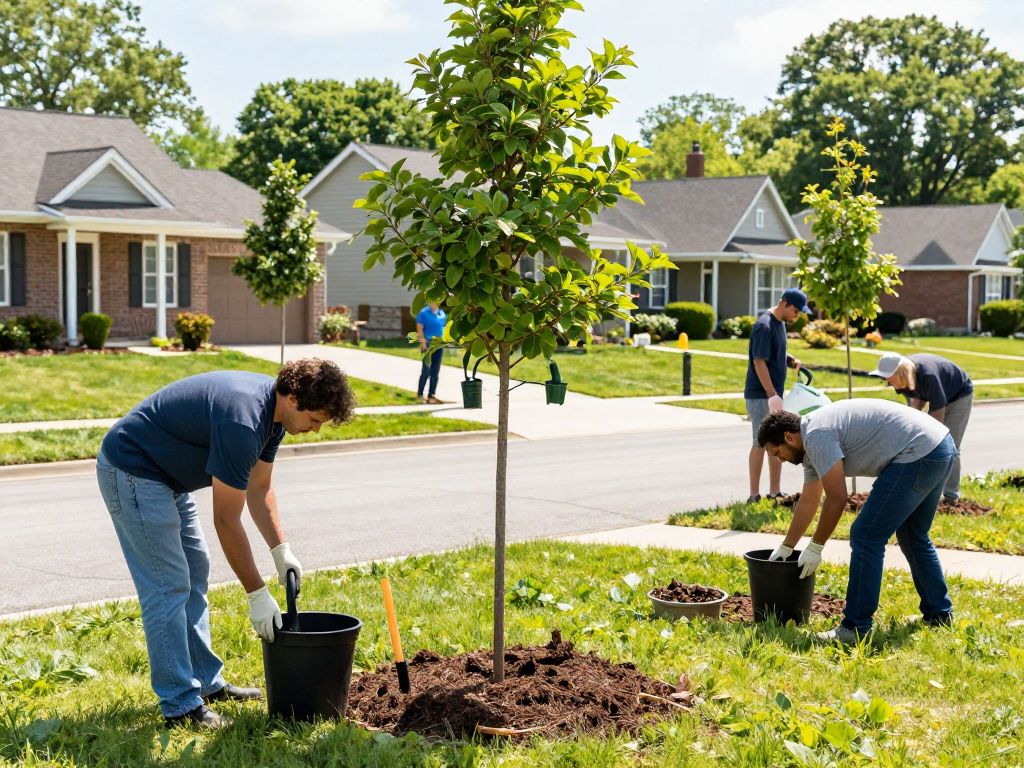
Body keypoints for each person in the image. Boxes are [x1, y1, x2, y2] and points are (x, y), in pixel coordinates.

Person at [96, 359, 355, 729]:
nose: (315, 429)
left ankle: (204, 681)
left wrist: (281, 552)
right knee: (168, 584)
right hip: (134, 470)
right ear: (294, 397)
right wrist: (256, 593)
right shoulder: (244, 422)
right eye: (315, 420)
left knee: (195, 569)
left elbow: (260, 488)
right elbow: (226, 521)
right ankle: (180, 705)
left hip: (167, 478)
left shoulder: (275, 418)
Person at [758, 399, 956, 644]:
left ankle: (855, 626)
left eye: (777, 453)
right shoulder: (810, 446)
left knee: (866, 535)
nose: (780, 460)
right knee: (913, 534)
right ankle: (939, 614)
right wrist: (787, 546)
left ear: (788, 437)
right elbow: (809, 501)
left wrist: (816, 546)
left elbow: (837, 498)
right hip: (939, 444)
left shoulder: (818, 436)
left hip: (918, 451)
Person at [868, 352, 973, 501]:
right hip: (938, 392)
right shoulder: (902, 380)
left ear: (901, 373)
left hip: (959, 394)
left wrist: (931, 442)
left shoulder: (928, 376)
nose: (887, 383)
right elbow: (916, 403)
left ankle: (951, 497)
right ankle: (923, 493)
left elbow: (938, 416)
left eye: (889, 379)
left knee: (949, 447)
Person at [744, 288, 810, 502]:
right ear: (785, 304)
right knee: (759, 443)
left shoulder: (779, 324)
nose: (796, 316)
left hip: (773, 394)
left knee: (776, 442)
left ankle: (775, 491)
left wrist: (791, 360)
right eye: (796, 312)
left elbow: (775, 351)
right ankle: (754, 495)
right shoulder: (764, 325)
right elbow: (759, 360)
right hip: (761, 394)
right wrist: (771, 394)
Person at [416, 301, 447, 404]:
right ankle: (420, 395)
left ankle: (431, 396)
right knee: (426, 370)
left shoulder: (442, 314)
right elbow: (419, 329)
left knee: (435, 371)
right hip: (427, 344)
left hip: (439, 345)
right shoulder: (424, 313)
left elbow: (444, 328)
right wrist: (422, 342)